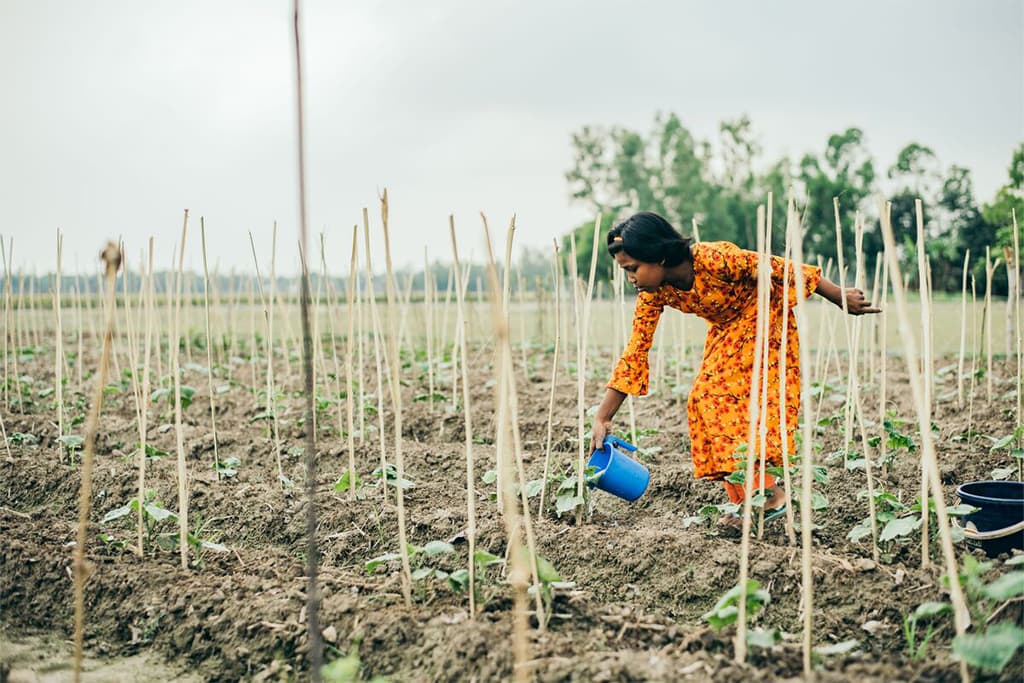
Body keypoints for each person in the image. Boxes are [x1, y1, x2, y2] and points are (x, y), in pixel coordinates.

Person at [589, 212, 879, 528]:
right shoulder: (652, 294)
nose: (630, 278)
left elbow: (778, 267)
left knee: (716, 398)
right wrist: (603, 416)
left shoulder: (713, 258)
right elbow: (636, 351)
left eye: (633, 268)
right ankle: (746, 502)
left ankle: (768, 495)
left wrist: (837, 295)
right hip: (727, 331)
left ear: (658, 255)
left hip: (763, 318)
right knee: (703, 401)